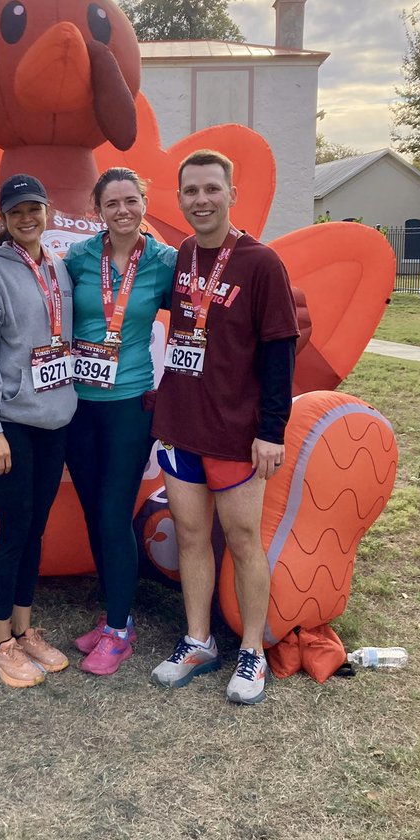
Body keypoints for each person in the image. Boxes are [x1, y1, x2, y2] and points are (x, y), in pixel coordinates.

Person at [150, 150, 298, 705]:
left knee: (241, 541)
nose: (202, 200)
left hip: (238, 432)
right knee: (190, 536)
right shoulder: (184, 253)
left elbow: (280, 350)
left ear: (231, 194)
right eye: (191, 191)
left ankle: (252, 650)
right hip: (183, 423)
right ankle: (198, 640)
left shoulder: (261, 263)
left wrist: (272, 429)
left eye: (212, 189)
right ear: (181, 198)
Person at [0, 174, 77, 688]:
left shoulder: (56, 266)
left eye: (34, 208)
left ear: (47, 210)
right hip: (9, 425)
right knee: (13, 531)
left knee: (35, 529)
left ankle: (25, 630)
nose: (27, 218)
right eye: (16, 212)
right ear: (3, 220)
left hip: (54, 420)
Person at [64, 167, 177, 675]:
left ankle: (118, 628)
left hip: (130, 404)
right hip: (76, 405)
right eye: (112, 204)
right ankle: (116, 619)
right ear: (98, 211)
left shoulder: (164, 262)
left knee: (113, 513)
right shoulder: (77, 258)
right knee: (94, 512)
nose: (123, 210)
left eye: (131, 200)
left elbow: (204, 311)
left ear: (144, 203)